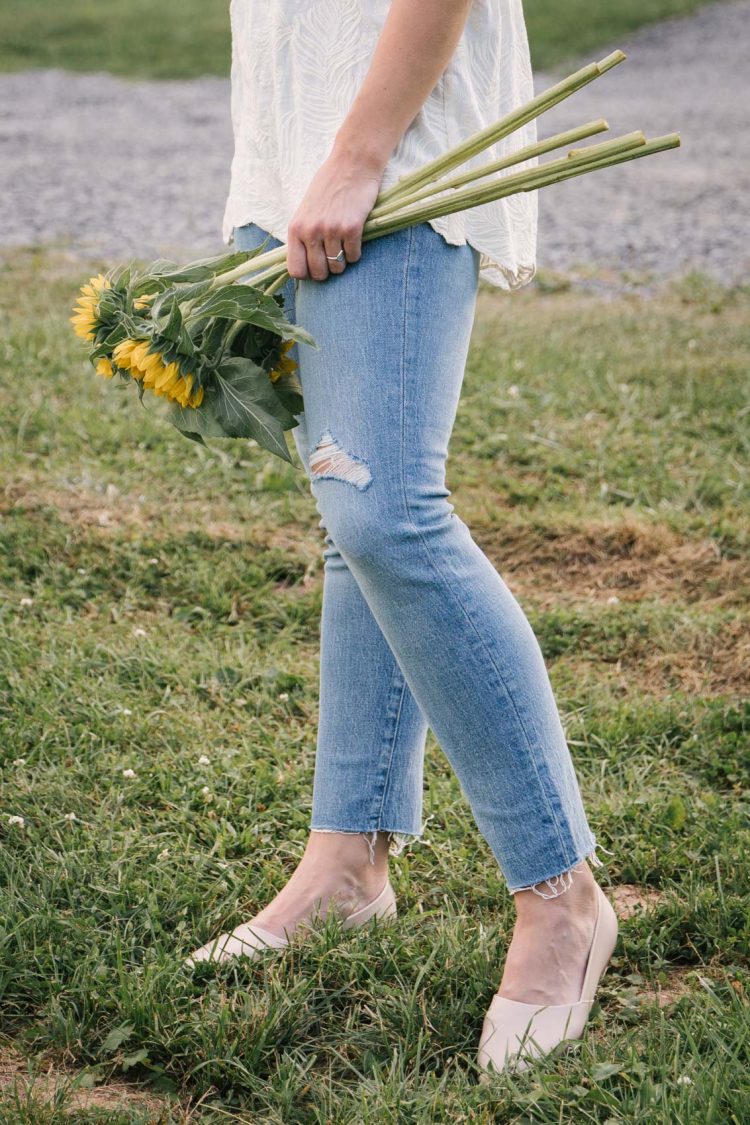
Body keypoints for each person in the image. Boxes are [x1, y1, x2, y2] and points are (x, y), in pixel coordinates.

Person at [187, 0, 619, 1074]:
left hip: (394, 143)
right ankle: (346, 866)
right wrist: (287, 158)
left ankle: (563, 900)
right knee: (353, 520)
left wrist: (357, 150)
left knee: (390, 516)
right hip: (298, 136)